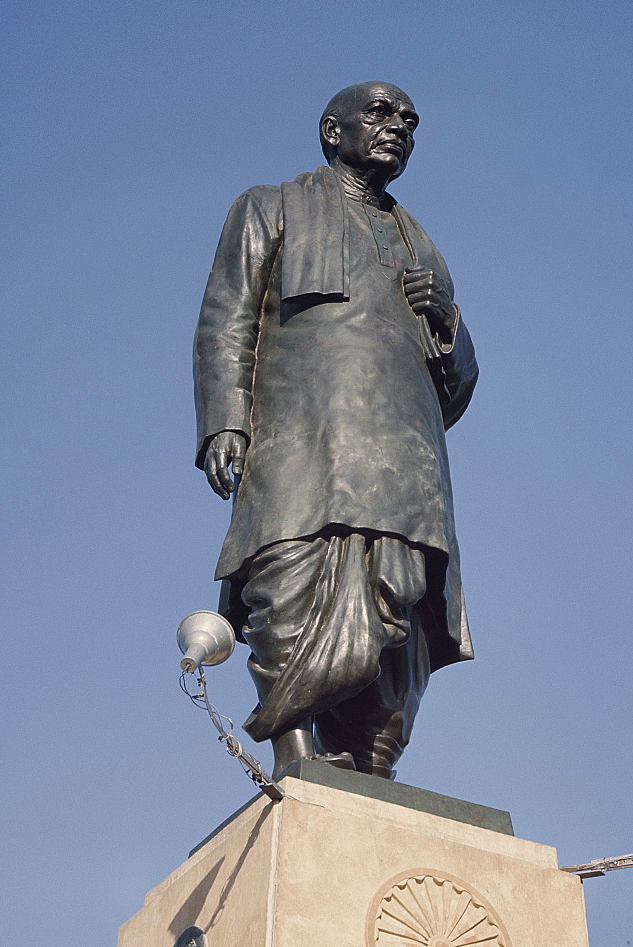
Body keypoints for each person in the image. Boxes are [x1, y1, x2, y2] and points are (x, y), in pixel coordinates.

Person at [193, 82, 478, 780]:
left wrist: (449, 322)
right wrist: (224, 420)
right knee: (288, 581)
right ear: (332, 131)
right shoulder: (271, 207)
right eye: (381, 113)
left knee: (400, 612)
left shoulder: (422, 247)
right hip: (303, 442)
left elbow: (460, 390)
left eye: (411, 120)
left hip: (403, 461)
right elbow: (227, 315)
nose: (400, 127)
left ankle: (369, 767)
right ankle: (293, 752)